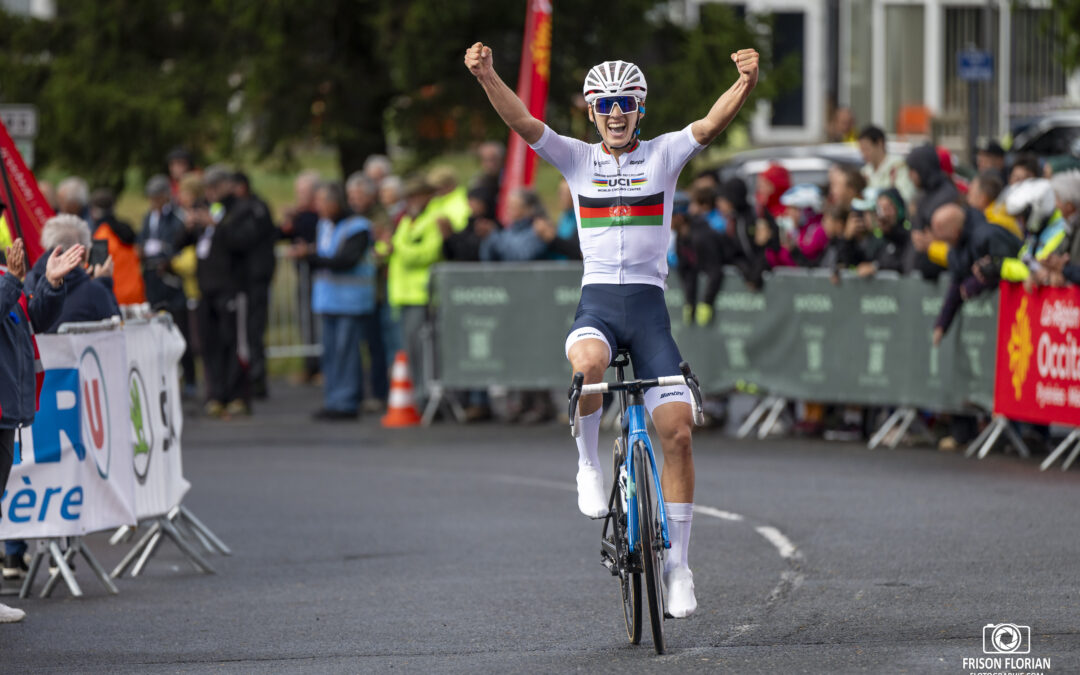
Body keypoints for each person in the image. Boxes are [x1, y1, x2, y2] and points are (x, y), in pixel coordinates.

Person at [466, 39, 760, 618]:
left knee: (677, 431)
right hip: (598, 305)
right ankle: (589, 465)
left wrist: (746, 84)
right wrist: (486, 76)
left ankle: (678, 567)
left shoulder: (664, 155)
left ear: (641, 107)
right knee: (589, 369)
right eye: (605, 104)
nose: (616, 112)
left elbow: (710, 124)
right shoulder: (577, 158)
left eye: (627, 101)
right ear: (592, 111)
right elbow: (523, 122)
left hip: (650, 313)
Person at [1, 238, 84, 622]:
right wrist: (15, 282)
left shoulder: (7, 278)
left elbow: (35, 320)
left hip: (7, 411)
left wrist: (50, 285)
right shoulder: (8, 281)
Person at [290, 181, 382, 419]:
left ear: (334, 203)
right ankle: (334, 399)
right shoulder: (324, 225)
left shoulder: (359, 227)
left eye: (321, 201)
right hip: (328, 299)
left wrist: (309, 257)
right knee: (331, 354)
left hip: (350, 301)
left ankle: (346, 401)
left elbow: (345, 260)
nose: (317, 206)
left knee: (346, 353)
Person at [174, 167, 258, 418]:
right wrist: (189, 227)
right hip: (205, 288)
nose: (210, 194)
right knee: (210, 343)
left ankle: (237, 395)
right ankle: (216, 394)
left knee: (234, 341)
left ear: (227, 186)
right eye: (207, 189)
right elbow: (180, 244)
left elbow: (244, 242)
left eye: (215, 188)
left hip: (232, 286)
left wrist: (217, 225)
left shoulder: (242, 210)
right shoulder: (205, 209)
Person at [386, 178, 443, 405]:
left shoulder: (432, 220)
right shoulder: (407, 220)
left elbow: (424, 254)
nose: (410, 202)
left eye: (414, 197)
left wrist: (398, 247)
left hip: (421, 295)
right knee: (411, 349)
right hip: (404, 294)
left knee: (422, 350)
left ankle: (425, 397)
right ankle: (419, 396)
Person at [25, 215, 120, 332]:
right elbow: (117, 328)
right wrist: (104, 282)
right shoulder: (94, 291)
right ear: (84, 253)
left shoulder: (29, 281)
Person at [233, 172, 277, 399]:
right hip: (243, 278)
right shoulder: (242, 208)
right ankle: (247, 376)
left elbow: (247, 238)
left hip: (256, 277)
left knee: (254, 330)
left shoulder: (255, 208)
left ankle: (257, 378)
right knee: (243, 332)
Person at [282, 169, 322, 385]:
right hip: (303, 276)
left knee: (319, 321)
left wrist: (307, 250)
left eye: (303, 191)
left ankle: (322, 366)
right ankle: (310, 365)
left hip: (321, 276)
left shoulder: (321, 217)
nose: (300, 195)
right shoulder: (299, 216)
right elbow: (282, 233)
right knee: (304, 320)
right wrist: (288, 219)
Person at [89, 188, 146, 305]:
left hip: (114, 298)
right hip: (136, 295)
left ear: (94, 211)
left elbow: (95, 271)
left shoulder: (101, 235)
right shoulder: (127, 229)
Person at [857, 125, 915, 203]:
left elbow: (906, 196)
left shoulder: (898, 166)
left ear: (880, 143)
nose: (864, 155)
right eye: (862, 150)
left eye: (867, 149)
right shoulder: (865, 172)